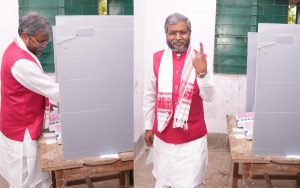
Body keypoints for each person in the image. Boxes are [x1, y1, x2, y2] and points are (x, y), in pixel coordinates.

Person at [143, 12, 216, 188]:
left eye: (183, 32)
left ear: (190, 32)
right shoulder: (157, 59)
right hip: (164, 134)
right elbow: (149, 95)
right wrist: (148, 126)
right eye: (172, 33)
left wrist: (202, 72)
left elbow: (209, 96)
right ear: (166, 34)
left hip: (192, 137)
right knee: (165, 179)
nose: (178, 37)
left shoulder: (200, 59)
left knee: (191, 182)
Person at [0, 12, 59, 188]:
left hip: (16, 119)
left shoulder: (17, 47)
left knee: (31, 176)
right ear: (25, 36)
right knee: (27, 178)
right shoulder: (20, 62)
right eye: (40, 41)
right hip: (21, 126)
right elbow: (51, 90)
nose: (43, 46)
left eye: (45, 41)